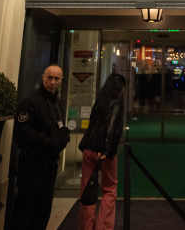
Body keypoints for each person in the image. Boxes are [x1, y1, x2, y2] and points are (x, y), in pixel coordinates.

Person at [11, 65, 71, 230]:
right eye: (49, 78)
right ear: (43, 78)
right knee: (26, 207)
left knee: (43, 208)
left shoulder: (58, 103)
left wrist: (63, 138)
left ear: (61, 80)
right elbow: (23, 133)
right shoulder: (30, 102)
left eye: (56, 78)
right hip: (31, 165)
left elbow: (60, 127)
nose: (52, 82)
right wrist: (49, 142)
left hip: (50, 165)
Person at [78, 73, 126, 230]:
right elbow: (113, 128)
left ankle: (87, 226)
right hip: (104, 151)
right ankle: (103, 227)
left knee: (87, 189)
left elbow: (92, 124)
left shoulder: (100, 99)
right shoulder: (117, 102)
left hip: (89, 148)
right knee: (109, 189)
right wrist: (107, 149)